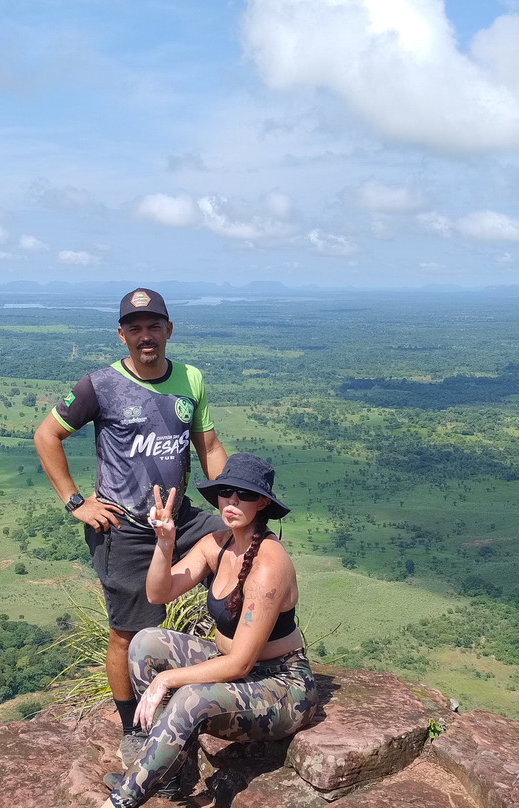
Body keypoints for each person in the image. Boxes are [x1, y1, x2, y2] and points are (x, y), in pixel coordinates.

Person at [34, 287, 228, 763]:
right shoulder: (99, 385)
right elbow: (47, 434)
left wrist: (232, 505)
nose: (146, 336)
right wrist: (76, 501)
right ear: (122, 335)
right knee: (128, 631)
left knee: (241, 552)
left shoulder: (191, 379)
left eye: (154, 326)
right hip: (127, 528)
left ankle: (238, 662)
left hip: (179, 518)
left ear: (169, 330)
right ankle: (132, 728)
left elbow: (209, 446)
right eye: (136, 328)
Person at [101, 453, 318, 808]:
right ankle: (166, 775)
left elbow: (240, 665)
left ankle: (123, 798)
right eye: (225, 491)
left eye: (244, 495)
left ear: (262, 502)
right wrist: (165, 542)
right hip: (232, 664)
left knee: (190, 697)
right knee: (144, 643)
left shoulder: (268, 566)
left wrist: (167, 680)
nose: (231, 501)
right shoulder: (217, 544)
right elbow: (159, 592)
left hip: (282, 685)